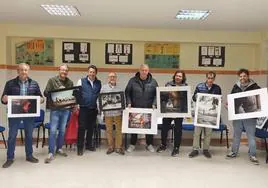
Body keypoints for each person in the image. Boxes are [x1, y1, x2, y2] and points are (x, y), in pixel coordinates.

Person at [1, 63, 44, 168]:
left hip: (29, 114)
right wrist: (4, 99)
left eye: (26, 70)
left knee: (29, 135)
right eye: (21, 70)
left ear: (28, 71)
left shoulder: (34, 83)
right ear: (18, 71)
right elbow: (3, 99)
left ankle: (29, 155)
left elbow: (40, 97)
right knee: (12, 136)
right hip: (15, 113)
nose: (24, 72)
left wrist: (41, 100)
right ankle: (10, 158)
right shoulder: (10, 83)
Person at [226, 68, 260, 165]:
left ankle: (252, 155)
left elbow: (260, 100)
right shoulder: (235, 87)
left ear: (248, 76)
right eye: (240, 76)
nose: (242, 78)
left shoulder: (255, 87)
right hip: (238, 116)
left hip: (250, 117)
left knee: (251, 137)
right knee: (236, 135)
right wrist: (228, 104)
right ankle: (233, 152)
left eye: (244, 76)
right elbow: (231, 99)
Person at [43, 64, 74, 163]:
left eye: (66, 70)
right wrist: (57, 90)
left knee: (62, 130)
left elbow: (72, 95)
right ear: (59, 70)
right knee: (52, 131)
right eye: (62, 70)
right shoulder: (52, 80)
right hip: (55, 109)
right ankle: (51, 152)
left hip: (66, 109)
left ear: (67, 72)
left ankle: (59, 148)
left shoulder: (70, 82)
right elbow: (45, 93)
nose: (64, 72)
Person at [125, 64, 158, 153]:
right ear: (139, 70)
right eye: (142, 70)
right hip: (135, 108)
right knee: (134, 127)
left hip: (148, 108)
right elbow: (127, 93)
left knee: (149, 128)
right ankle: (132, 144)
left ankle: (149, 144)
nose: (144, 72)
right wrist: (128, 103)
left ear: (148, 71)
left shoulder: (153, 82)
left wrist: (154, 104)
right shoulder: (132, 81)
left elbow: (156, 95)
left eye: (146, 70)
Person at [188, 71, 222, 158]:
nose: (210, 80)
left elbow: (218, 101)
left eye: (212, 78)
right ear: (206, 78)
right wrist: (196, 96)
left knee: (208, 133)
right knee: (196, 133)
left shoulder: (217, 88)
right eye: (208, 78)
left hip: (210, 114)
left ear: (214, 79)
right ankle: (195, 149)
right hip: (200, 113)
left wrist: (219, 99)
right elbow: (194, 98)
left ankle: (206, 149)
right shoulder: (199, 86)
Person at [156, 70, 188, 157]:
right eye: (177, 76)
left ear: (182, 78)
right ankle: (163, 145)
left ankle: (176, 148)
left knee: (178, 130)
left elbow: (186, 101)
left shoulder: (185, 86)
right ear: (174, 76)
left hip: (179, 111)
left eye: (180, 76)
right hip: (168, 110)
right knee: (165, 128)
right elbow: (163, 96)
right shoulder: (168, 84)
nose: (178, 77)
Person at [76, 65, 101, 156]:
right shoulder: (81, 81)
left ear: (96, 73)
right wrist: (77, 105)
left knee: (91, 128)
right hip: (83, 108)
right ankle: (79, 147)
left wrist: (99, 108)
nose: (92, 73)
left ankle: (88, 145)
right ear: (88, 72)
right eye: (90, 72)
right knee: (82, 128)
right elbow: (77, 94)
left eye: (93, 72)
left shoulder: (99, 83)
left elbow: (99, 96)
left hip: (93, 109)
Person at [101, 72, 124, 155]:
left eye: (114, 77)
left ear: (116, 78)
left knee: (119, 130)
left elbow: (123, 100)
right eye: (110, 77)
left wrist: (122, 110)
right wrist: (102, 110)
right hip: (108, 113)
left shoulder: (120, 88)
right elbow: (99, 100)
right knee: (109, 130)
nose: (112, 78)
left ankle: (118, 147)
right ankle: (111, 147)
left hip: (118, 113)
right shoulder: (103, 88)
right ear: (108, 78)